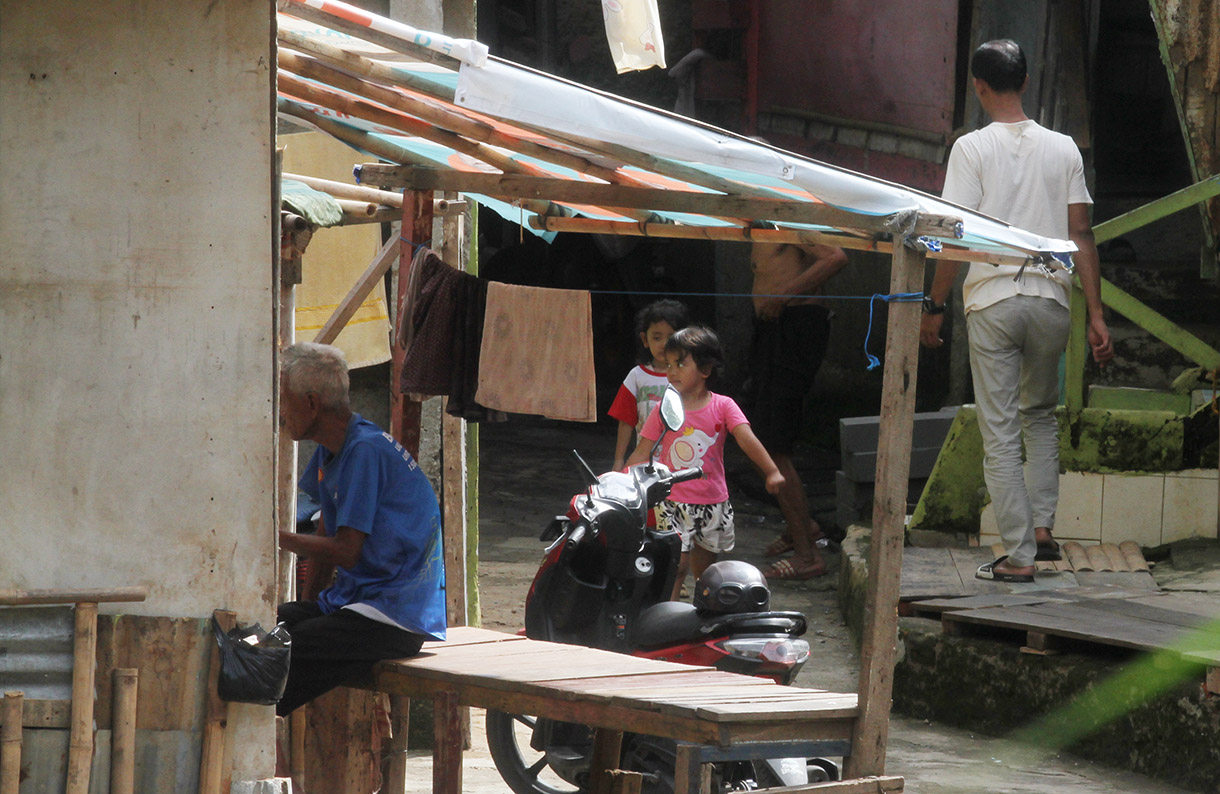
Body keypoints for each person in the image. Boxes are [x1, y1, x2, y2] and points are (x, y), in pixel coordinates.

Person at [920, 39, 1113, 584]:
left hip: (993, 300)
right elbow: (1081, 234)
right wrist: (1096, 314)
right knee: (1040, 416)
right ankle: (1044, 530)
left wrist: (934, 305)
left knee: (1001, 429)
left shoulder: (971, 148)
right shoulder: (1064, 148)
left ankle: (1019, 555)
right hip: (1052, 300)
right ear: (1024, 83)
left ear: (979, 87)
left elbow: (954, 237)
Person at [275, 341, 447, 716]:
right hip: (356, 606)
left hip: (393, 617)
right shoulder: (332, 449)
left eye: (283, 399)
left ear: (311, 403)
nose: (279, 410)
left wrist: (278, 539)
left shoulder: (365, 451)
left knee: (274, 654)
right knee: (266, 626)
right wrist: (311, 607)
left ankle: (261, 741)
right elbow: (326, 535)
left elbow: (346, 550)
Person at [626, 326, 785, 600]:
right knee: (677, 565)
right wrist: (617, 482)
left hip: (712, 502)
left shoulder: (723, 406)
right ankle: (666, 619)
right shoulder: (665, 408)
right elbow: (643, 450)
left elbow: (747, 439)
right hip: (672, 501)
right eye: (669, 364)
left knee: (705, 570)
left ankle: (700, 614)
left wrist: (772, 471)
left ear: (706, 370)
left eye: (680, 364)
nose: (671, 371)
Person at [744, 241, 849, 580]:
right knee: (757, 436)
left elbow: (835, 256)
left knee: (773, 445)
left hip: (795, 323)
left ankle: (808, 556)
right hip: (773, 325)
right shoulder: (761, 218)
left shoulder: (791, 211)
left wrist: (782, 296)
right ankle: (803, 526)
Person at [609, 299, 690, 471]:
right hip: (646, 462)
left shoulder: (689, 376)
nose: (663, 344)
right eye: (657, 337)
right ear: (645, 340)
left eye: (671, 337)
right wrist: (619, 460)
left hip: (683, 460)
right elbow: (626, 421)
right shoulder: (637, 376)